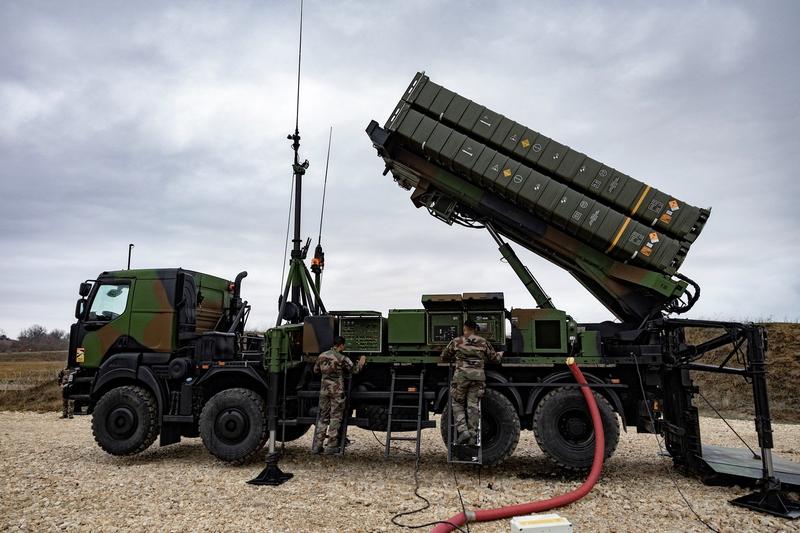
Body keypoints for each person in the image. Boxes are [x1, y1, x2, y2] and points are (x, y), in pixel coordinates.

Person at [441, 319, 502, 445]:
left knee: (457, 403)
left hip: (461, 377)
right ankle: (473, 434)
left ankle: (463, 431)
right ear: (476, 329)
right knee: (472, 405)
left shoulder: (457, 341)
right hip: (477, 377)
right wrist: (501, 353)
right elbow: (495, 359)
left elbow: (444, 356)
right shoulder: (483, 342)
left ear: (464, 328)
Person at [312, 336, 366, 454]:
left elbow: (315, 370)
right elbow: (355, 370)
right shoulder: (342, 358)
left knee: (323, 417)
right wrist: (361, 362)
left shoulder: (321, 356)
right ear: (341, 345)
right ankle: (331, 445)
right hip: (336, 391)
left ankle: (317, 445)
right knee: (335, 417)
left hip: (324, 390)